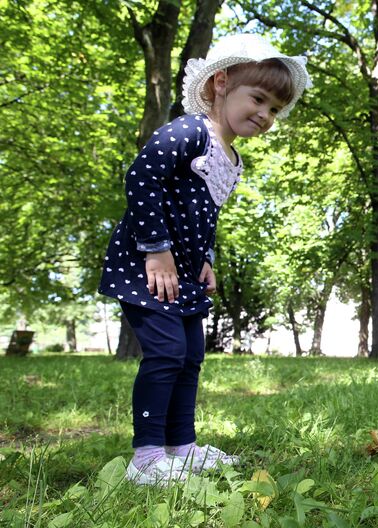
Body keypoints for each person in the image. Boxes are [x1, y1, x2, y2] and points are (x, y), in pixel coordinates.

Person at [99, 34, 311, 486]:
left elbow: (203, 216)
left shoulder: (231, 158)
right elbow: (141, 179)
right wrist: (155, 252)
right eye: (258, 98)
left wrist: (206, 258)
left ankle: (182, 445)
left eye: (275, 108)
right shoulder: (189, 131)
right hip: (148, 266)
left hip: (186, 272)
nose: (266, 114)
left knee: (191, 354)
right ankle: (148, 456)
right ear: (220, 83)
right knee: (166, 353)